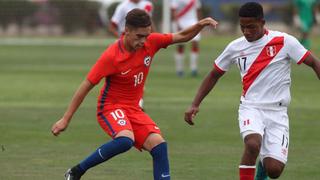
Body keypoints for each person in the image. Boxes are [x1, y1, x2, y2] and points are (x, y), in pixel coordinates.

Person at [51, 9, 218, 180]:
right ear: (126, 31)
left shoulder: (150, 42)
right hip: (110, 108)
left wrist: (199, 25)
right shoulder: (112, 56)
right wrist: (66, 118)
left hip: (133, 109)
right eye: (139, 36)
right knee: (125, 140)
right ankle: (77, 171)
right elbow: (86, 85)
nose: (143, 41)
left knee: (159, 146)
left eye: (147, 35)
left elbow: (182, 36)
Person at [184, 2, 320, 180]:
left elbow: (315, 63)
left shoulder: (285, 41)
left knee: (274, 171)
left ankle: (263, 167)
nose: (246, 31)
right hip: (251, 107)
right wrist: (195, 104)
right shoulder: (235, 47)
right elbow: (214, 74)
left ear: (262, 22)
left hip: (278, 112)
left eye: (251, 27)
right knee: (252, 143)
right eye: (242, 27)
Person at [171, 0, 202, 77]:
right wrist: (177, 23)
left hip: (193, 22)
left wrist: (200, 24)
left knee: (195, 43)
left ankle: (194, 69)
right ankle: (179, 70)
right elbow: (173, 10)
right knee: (180, 46)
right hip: (181, 22)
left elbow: (198, 10)